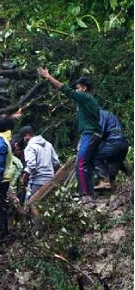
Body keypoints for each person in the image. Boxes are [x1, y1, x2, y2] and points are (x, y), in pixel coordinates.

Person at [38, 68, 102, 198]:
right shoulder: (89, 101)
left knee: (81, 163)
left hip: (89, 134)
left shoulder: (84, 97)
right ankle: (88, 193)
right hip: (91, 134)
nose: (76, 91)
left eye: (78, 88)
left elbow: (66, 90)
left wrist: (48, 77)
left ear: (84, 88)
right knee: (85, 163)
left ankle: (86, 195)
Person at [18, 126, 61, 198]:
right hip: (50, 180)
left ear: (27, 135)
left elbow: (31, 166)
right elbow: (56, 162)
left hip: (36, 181)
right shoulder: (48, 144)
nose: (23, 140)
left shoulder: (30, 147)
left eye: (23, 137)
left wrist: (24, 178)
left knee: (30, 203)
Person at [94, 110, 130, 190]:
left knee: (93, 156)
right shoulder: (108, 115)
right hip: (124, 144)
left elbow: (98, 133)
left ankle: (105, 180)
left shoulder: (100, 114)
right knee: (112, 163)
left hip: (114, 142)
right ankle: (112, 184)